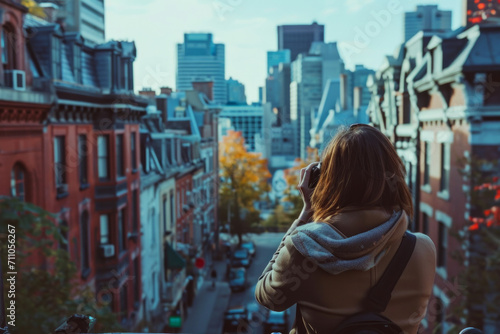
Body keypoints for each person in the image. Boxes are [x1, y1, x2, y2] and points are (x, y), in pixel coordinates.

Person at [255, 124, 436, 334]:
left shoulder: (304, 249)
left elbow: (266, 296)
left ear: (326, 180)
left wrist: (306, 214)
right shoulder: (422, 250)